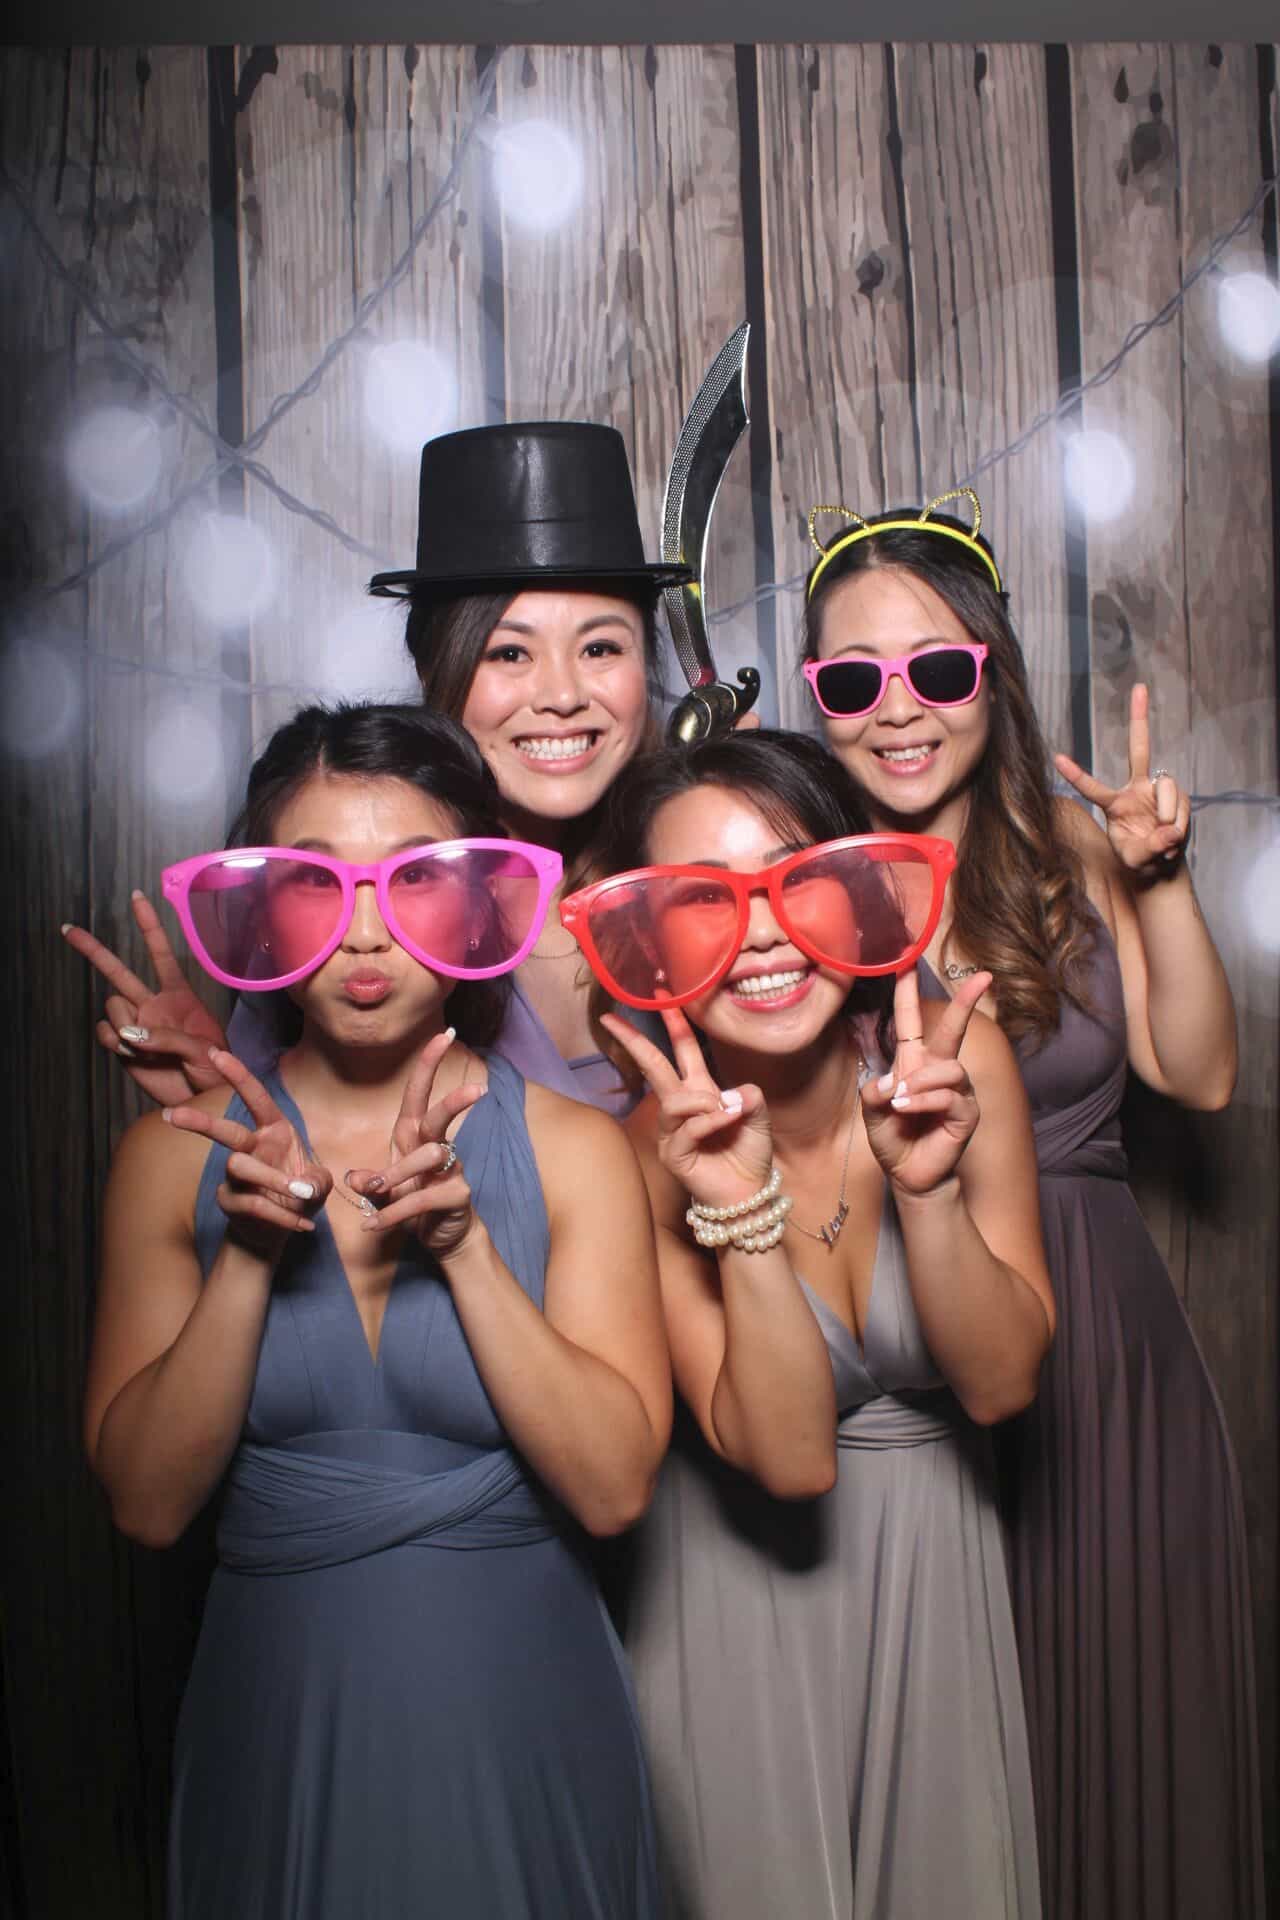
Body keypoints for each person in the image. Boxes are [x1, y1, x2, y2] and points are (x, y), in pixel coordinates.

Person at [83, 702, 672, 1918]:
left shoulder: (574, 1152)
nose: (364, 932)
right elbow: (145, 1505)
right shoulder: (166, 1159)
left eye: (413, 881)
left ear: (478, 902)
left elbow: (615, 1490)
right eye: (316, 884)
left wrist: (464, 1250)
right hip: (277, 1723)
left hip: (524, 1716)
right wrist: (248, 1257)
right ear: (259, 908)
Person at [799, 491, 1263, 1920]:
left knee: (1113, 1758)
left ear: (989, 675)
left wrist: (1158, 877)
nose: (898, 710)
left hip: (1100, 1368)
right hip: (903, 1357)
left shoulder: (1074, 848)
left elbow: (1197, 1074)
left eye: (936, 668)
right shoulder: (793, 890)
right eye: (854, 681)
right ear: (815, 701)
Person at [562, 728, 1054, 1918]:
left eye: (796, 881)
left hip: (936, 1586)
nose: (764, 935)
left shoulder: (956, 1061)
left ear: (856, 893)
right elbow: (788, 1459)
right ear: (643, 940)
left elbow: (1000, 1387)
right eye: (702, 902)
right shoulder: (636, 1156)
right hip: (734, 1616)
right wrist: (737, 1213)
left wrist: (926, 1193)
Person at [65, 421, 692, 1117]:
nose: (563, 695)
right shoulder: (342, 902)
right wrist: (231, 1097)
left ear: (647, 663)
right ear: (431, 667)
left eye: (601, 648)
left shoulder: (703, 878)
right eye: (508, 653)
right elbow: (311, 1157)